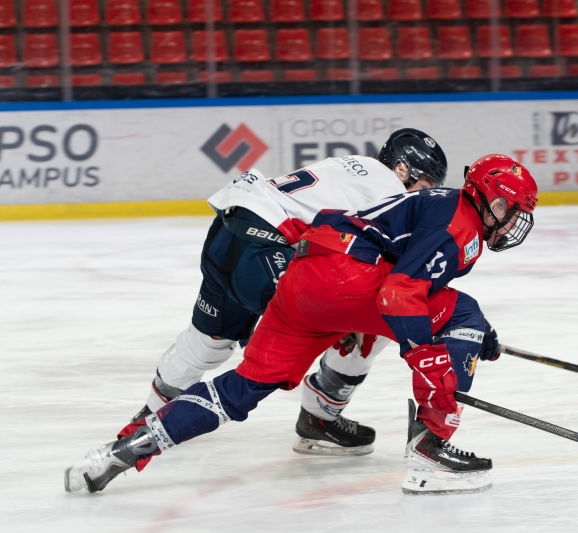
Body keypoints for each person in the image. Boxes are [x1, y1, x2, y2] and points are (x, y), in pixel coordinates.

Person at [65, 154, 538, 496]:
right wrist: (432, 362)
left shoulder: (437, 203)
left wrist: (480, 338)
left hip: (300, 278)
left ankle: (121, 452)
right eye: (508, 209)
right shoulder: (461, 223)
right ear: (486, 198)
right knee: (461, 312)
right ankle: (431, 447)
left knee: (241, 387)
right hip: (341, 277)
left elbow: (412, 281)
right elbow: (400, 294)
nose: (512, 222)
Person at [133, 128, 450, 457]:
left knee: (207, 341)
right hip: (267, 256)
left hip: (229, 233)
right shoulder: (391, 192)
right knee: (380, 317)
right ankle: (320, 417)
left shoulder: (351, 164)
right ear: (402, 170)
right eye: (424, 185)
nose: (423, 195)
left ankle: (149, 419)